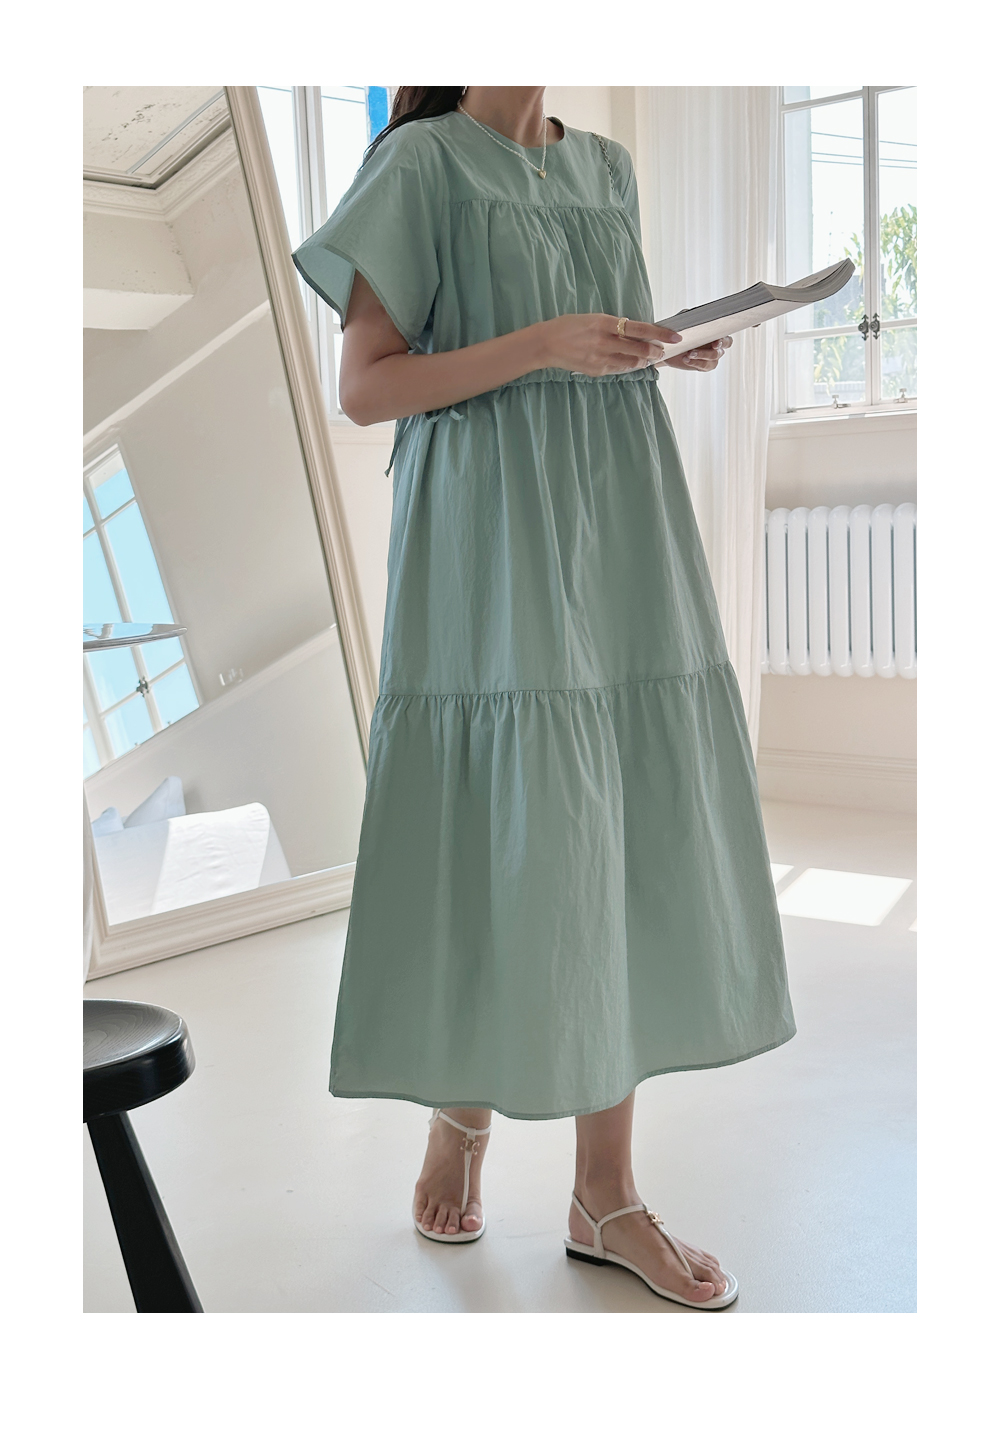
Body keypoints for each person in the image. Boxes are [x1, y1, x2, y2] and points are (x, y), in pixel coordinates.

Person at [293, 86, 795, 1310]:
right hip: (488, 522)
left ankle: (602, 1193)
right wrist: (540, 343)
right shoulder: (418, 164)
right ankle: (461, 1105)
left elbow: (594, 339)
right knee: (509, 810)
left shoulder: (607, 169)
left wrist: (657, 346)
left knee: (609, 815)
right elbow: (365, 386)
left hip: (616, 507)